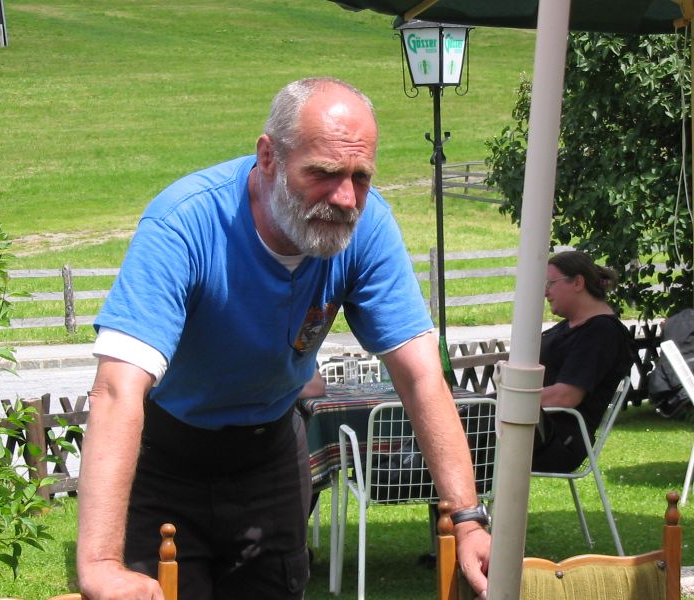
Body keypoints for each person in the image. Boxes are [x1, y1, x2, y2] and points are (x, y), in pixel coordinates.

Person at [76, 77, 490, 600]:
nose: (346, 198)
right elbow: (116, 390)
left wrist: (469, 520)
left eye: (361, 177)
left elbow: (422, 376)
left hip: (270, 455)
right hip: (165, 461)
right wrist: (100, 564)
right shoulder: (184, 223)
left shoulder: (368, 228)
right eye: (323, 173)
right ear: (268, 156)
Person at [533, 250, 635, 473]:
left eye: (551, 283)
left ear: (578, 282)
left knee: (463, 435)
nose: (545, 292)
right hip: (534, 428)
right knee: (463, 425)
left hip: (559, 440)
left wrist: (506, 401)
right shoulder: (571, 325)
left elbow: (565, 396)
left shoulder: (601, 332)